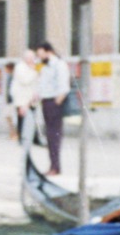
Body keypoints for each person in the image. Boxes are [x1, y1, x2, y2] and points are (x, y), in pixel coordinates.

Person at [34, 41, 72, 175]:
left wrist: (57, 102)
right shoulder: (46, 67)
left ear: (49, 52)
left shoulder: (59, 65)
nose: (40, 57)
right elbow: (42, 85)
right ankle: (52, 166)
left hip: (53, 103)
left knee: (54, 136)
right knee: (49, 137)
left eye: (41, 54)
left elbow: (64, 87)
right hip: (46, 102)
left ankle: (55, 167)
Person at [8, 50, 40, 145]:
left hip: (32, 99)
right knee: (22, 119)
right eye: (31, 57)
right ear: (25, 58)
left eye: (33, 57)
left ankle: (34, 138)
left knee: (33, 119)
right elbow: (25, 80)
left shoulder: (33, 67)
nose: (32, 59)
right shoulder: (20, 67)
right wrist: (35, 71)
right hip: (22, 99)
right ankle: (22, 139)